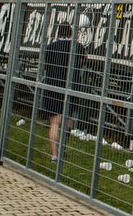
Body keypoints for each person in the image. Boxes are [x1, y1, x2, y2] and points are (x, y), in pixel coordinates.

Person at [41, 22, 86, 163]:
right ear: (71, 32)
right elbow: (85, 57)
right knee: (67, 119)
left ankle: (54, 154)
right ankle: (63, 148)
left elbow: (44, 65)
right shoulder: (77, 46)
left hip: (53, 85)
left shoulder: (51, 46)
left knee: (54, 122)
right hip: (71, 86)